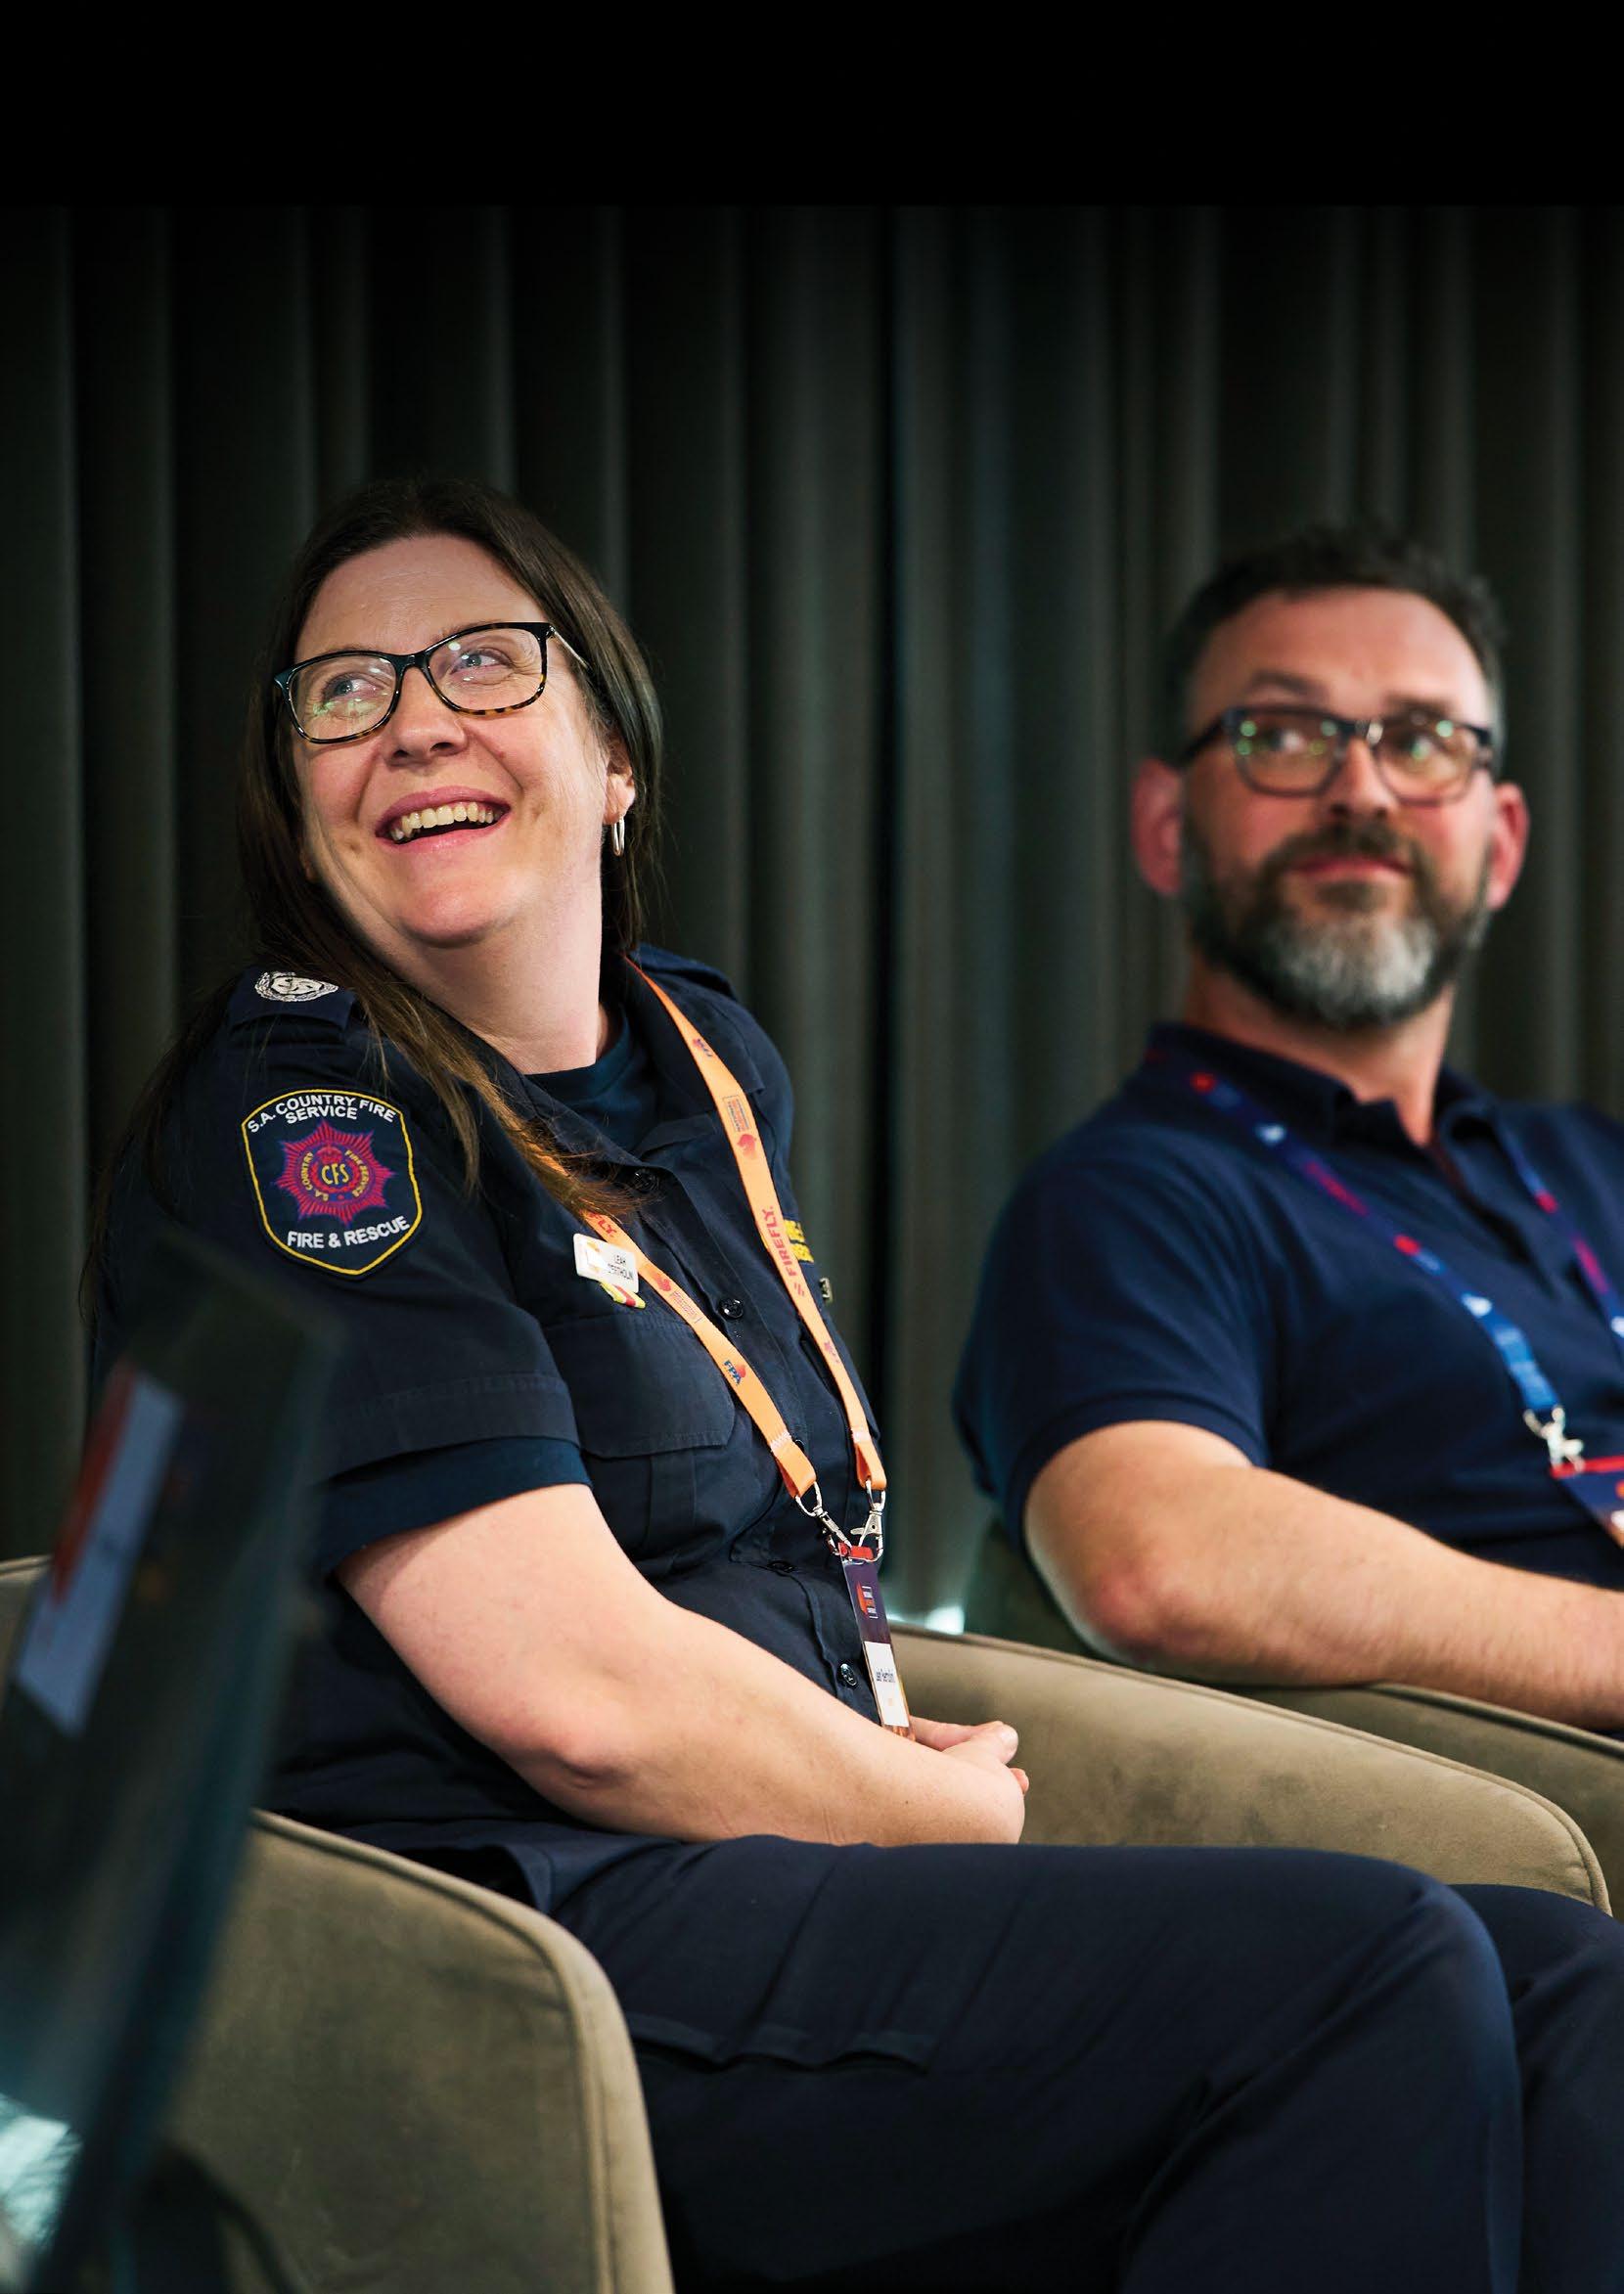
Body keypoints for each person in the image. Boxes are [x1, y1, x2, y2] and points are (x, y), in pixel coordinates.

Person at [92, 480, 1624, 2290]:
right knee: (1368, 1972)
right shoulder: (302, 1118)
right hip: (518, 1912)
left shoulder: (701, 1060)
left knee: (1567, 1986)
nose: (415, 719)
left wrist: (863, 1754)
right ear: (298, 797)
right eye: (344, 693)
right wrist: (904, 1803)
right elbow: (573, 1697)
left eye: (484, 663)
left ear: (616, 756)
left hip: (781, 1853)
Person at [956, 524, 1624, 1739]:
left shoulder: (1593, 1161)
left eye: (1422, 739)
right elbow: (1156, 1559)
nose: (1360, 789)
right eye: (1283, 735)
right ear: (1166, 825)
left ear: (1503, 842)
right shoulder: (1126, 1199)